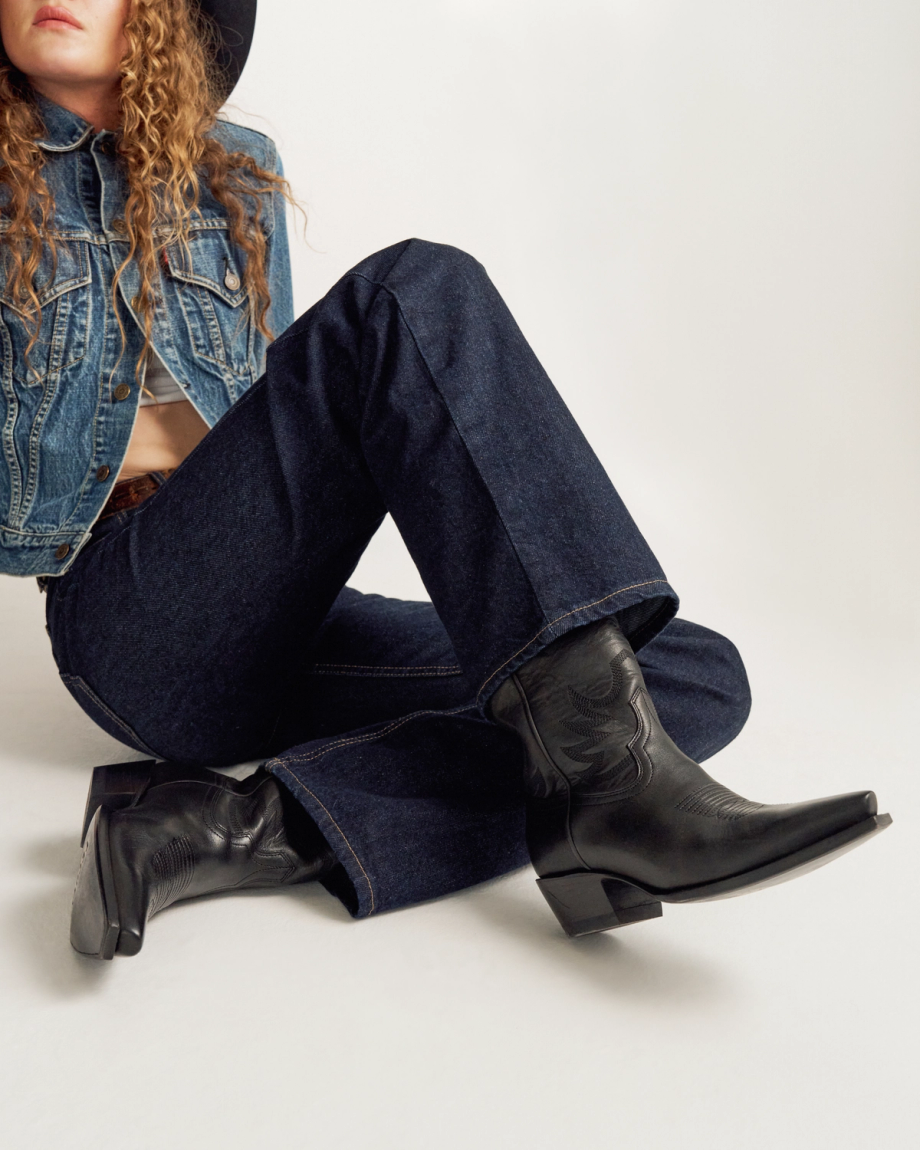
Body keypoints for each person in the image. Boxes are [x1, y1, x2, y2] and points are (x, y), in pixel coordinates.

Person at [0, 0, 890, 961]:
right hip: (129, 623)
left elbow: (275, 421)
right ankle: (607, 805)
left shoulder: (234, 172)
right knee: (408, 292)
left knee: (688, 674)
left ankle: (224, 826)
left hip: (269, 608)